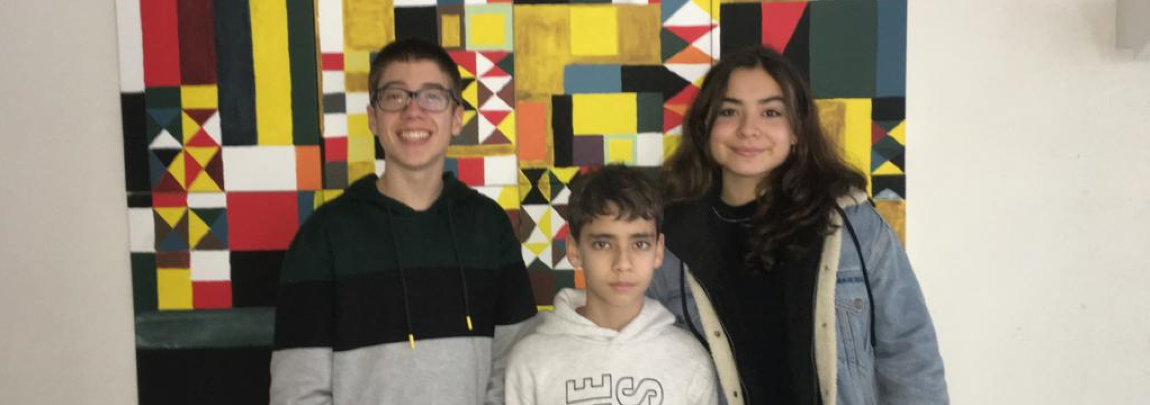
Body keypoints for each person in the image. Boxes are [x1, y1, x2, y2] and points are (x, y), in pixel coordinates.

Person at [647, 45, 949, 405]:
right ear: (705, 127)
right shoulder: (669, 243)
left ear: (796, 130)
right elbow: (642, 361)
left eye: (771, 112)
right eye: (729, 111)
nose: (748, 129)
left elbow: (910, 355)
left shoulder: (852, 224)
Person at [270, 38, 537, 405]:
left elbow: (514, 368)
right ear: (373, 118)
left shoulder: (489, 227)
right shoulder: (323, 236)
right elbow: (298, 392)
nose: (413, 111)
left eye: (432, 96)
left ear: (456, 118)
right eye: (395, 96)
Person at [505, 165, 718, 405]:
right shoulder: (531, 360)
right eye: (603, 244)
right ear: (574, 250)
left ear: (658, 251)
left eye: (640, 244)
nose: (623, 264)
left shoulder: (689, 360)